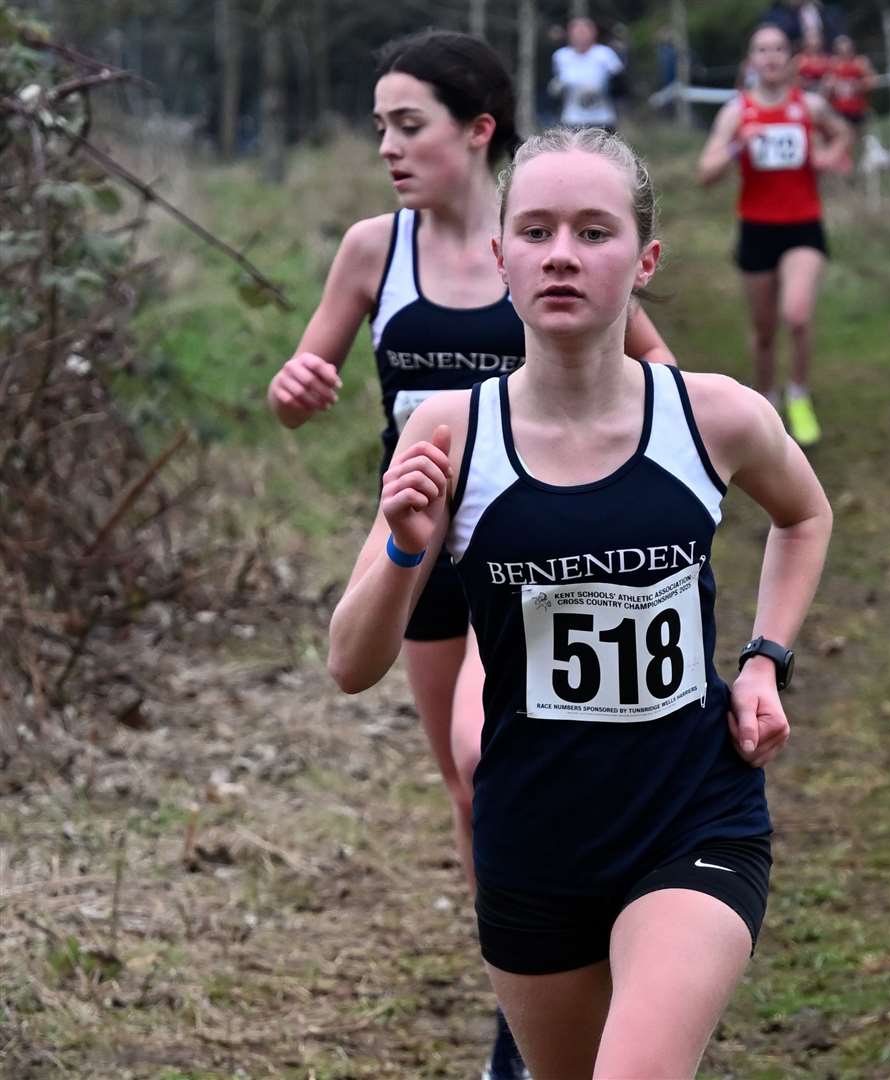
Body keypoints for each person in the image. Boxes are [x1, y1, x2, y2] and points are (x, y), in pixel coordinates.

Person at [326, 125, 833, 1080]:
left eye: (595, 232)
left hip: (694, 816)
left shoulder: (712, 414)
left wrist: (767, 658)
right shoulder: (452, 430)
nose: (562, 254)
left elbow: (804, 516)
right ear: (501, 256)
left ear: (643, 261)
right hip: (534, 840)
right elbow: (351, 665)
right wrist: (404, 544)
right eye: (538, 231)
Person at [266, 30, 673, 1080]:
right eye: (380, 129)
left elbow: (655, 368)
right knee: (465, 786)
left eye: (409, 125)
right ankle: (527, 992)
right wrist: (297, 387)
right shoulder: (373, 249)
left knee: (490, 750)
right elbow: (308, 367)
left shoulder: (538, 236)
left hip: (526, 546)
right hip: (418, 543)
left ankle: (560, 992)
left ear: (476, 130)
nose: (390, 148)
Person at [696, 23, 852, 449]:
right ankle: (765, 403)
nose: (770, 57)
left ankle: (798, 394)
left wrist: (827, 156)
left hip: (803, 225)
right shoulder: (736, 112)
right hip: (757, 228)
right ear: (751, 60)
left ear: (791, 58)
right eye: (762, 50)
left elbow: (843, 134)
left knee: (797, 315)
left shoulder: (811, 106)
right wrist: (736, 147)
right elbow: (704, 173)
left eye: (779, 49)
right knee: (764, 330)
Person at [550, 17, 624, 132]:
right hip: (572, 119)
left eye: (584, 32)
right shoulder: (561, 56)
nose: (580, 36)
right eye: (577, 33)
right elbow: (556, 86)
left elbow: (621, 85)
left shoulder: (605, 54)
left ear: (593, 33)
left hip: (603, 119)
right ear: (570, 35)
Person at [825, 34, 878, 132]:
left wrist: (859, 85)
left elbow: (873, 81)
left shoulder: (860, 62)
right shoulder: (832, 64)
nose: (844, 52)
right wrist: (833, 87)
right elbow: (827, 86)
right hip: (839, 111)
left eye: (847, 49)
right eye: (841, 50)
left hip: (858, 109)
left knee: (860, 138)